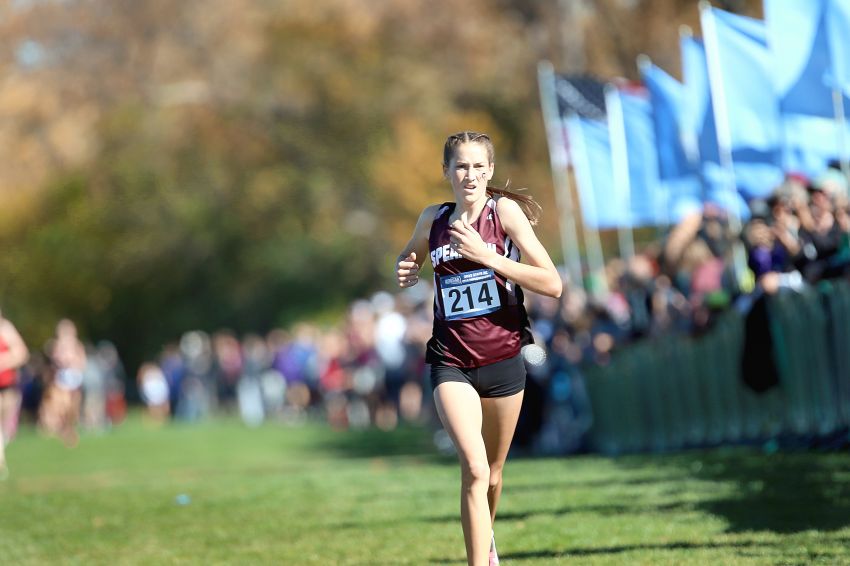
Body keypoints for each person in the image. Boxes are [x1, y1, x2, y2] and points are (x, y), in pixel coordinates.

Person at [396, 131, 562, 566]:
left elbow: (553, 283)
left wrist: (488, 257)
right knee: (473, 467)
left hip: (504, 359)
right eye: (460, 166)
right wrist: (407, 267)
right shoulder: (432, 218)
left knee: (493, 475)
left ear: (489, 171)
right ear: (446, 171)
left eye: (477, 166)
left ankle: (486, 540)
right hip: (450, 361)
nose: (469, 175)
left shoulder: (502, 213)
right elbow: (411, 255)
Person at [0, 308, 29, 477]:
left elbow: (21, 353)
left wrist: (3, 362)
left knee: (5, 427)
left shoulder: (5, 328)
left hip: (7, 385)